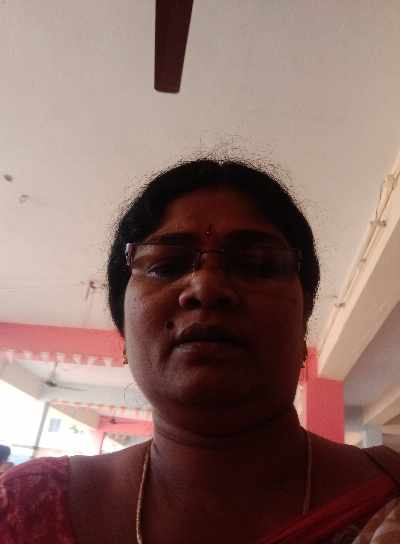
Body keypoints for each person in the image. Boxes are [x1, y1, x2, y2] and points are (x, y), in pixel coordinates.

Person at [1, 159, 400, 543]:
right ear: (124, 330)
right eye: (166, 266)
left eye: (257, 265)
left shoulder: (389, 498)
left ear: (303, 324)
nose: (206, 287)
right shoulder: (24, 510)